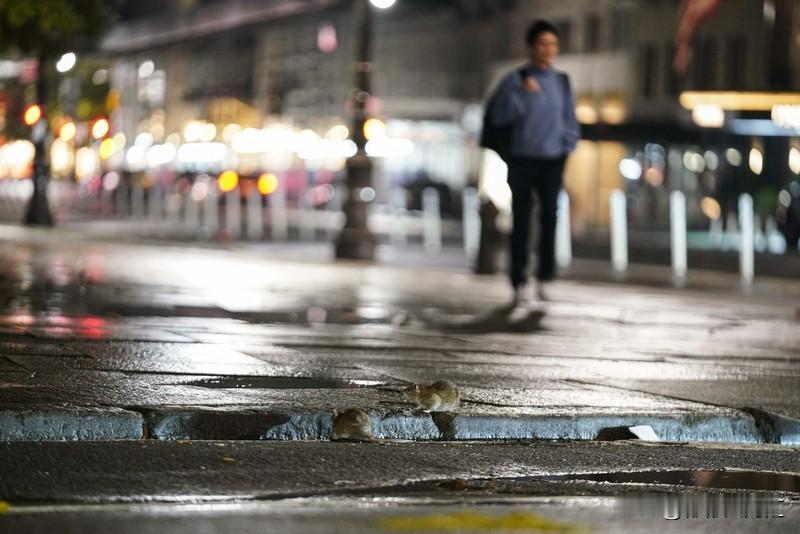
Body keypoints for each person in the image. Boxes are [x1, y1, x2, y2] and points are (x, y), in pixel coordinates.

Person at [489, 19, 580, 304]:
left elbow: (570, 119)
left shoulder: (562, 81)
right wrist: (519, 93)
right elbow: (499, 117)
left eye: (553, 44)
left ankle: (545, 276)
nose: (549, 49)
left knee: (551, 217)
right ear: (531, 46)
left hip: (553, 159)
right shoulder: (514, 80)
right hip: (522, 158)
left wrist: (567, 144)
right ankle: (518, 279)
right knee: (522, 219)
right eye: (543, 43)